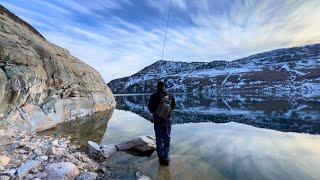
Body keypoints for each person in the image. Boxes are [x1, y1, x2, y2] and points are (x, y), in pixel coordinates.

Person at [148, 81, 175, 166]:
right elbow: (173, 106)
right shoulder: (170, 95)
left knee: (159, 139)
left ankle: (161, 159)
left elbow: (151, 109)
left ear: (157, 87)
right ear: (164, 87)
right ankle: (166, 159)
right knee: (167, 139)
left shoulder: (154, 95)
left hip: (157, 120)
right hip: (167, 120)